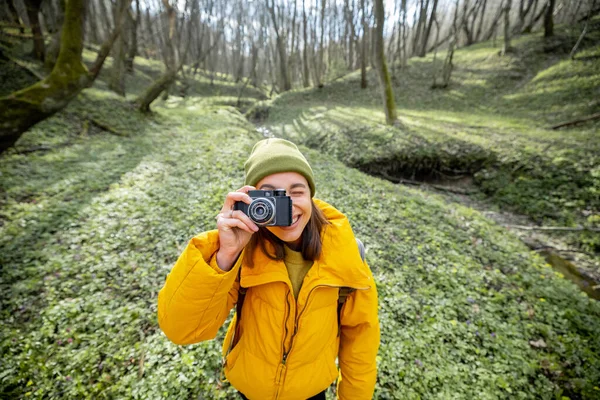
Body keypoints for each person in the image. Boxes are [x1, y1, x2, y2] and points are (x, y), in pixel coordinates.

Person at [157, 138, 380, 400]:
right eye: (272, 195)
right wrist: (225, 255)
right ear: (251, 199)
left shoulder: (345, 252)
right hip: (252, 390)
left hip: (310, 391)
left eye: (297, 192)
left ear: (311, 196)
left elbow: (360, 340)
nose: (286, 206)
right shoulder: (242, 251)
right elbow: (181, 330)